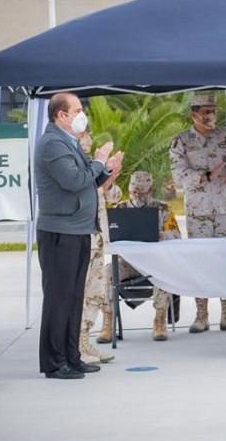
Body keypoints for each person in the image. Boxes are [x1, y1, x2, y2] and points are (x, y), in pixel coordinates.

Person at [34, 93, 123, 380]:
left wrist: (105, 168)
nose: (82, 115)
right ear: (62, 115)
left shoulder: (67, 142)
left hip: (79, 230)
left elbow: (86, 179)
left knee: (74, 298)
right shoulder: (51, 144)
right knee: (58, 299)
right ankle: (54, 362)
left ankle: (72, 357)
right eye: (78, 110)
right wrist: (97, 161)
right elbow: (73, 181)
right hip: (60, 232)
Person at [170, 92, 226, 334]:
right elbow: (179, 177)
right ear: (193, 113)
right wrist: (207, 176)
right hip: (198, 212)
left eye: (212, 111)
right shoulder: (181, 141)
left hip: (225, 209)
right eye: (205, 111)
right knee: (200, 261)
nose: (210, 115)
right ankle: (201, 314)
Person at [113, 170, 182, 341]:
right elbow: (107, 234)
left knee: (164, 274)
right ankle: (109, 323)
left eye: (142, 192)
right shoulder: (119, 209)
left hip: (155, 263)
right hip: (128, 263)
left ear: (150, 190)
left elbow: (176, 236)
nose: (138, 195)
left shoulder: (162, 209)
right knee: (106, 274)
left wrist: (161, 236)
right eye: (134, 192)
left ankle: (159, 320)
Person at [77, 130, 118, 365]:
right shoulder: (74, 165)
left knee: (94, 293)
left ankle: (84, 341)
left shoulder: (91, 166)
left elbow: (110, 196)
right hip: (82, 237)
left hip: (98, 237)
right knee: (80, 293)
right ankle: (75, 343)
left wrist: (109, 174)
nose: (88, 138)